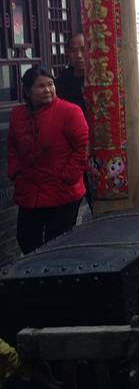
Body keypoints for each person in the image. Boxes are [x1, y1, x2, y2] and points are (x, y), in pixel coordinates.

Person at [8, 66, 89, 255]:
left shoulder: (69, 111)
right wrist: (15, 172)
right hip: (29, 190)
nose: (47, 90)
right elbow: (12, 146)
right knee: (26, 239)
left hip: (62, 189)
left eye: (50, 84)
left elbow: (83, 146)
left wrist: (68, 176)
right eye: (40, 86)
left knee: (57, 244)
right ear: (27, 91)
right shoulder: (17, 115)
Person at [56, 33, 92, 210]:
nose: (78, 55)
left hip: (98, 146)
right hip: (72, 152)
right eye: (73, 50)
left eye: (83, 50)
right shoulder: (61, 82)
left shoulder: (102, 77)